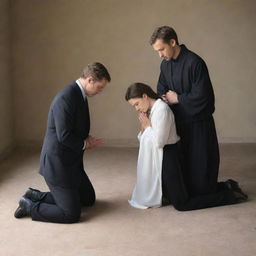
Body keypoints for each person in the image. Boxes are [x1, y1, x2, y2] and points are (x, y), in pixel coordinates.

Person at [149, 26, 248, 200]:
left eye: (162, 49)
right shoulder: (165, 65)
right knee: (185, 179)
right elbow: (161, 88)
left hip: (198, 126)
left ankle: (230, 190)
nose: (160, 55)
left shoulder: (195, 62)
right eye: (157, 51)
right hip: (178, 124)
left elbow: (205, 98)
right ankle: (225, 186)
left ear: (173, 42)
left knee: (202, 182)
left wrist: (178, 99)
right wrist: (164, 97)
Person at [126, 83, 247, 211]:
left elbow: (159, 142)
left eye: (137, 104)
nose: (136, 108)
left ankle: (229, 196)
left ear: (145, 96)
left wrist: (148, 126)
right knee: (177, 193)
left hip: (168, 157)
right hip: (161, 156)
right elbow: (144, 138)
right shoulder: (151, 111)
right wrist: (144, 127)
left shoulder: (162, 110)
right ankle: (227, 185)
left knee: (181, 203)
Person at [14, 62, 111, 223]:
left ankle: (34, 194)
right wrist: (85, 144)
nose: (100, 91)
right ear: (90, 80)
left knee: (88, 199)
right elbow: (64, 136)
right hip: (57, 164)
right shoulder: (66, 97)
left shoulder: (79, 94)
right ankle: (29, 206)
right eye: (100, 87)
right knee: (71, 214)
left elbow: (75, 128)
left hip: (72, 162)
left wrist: (86, 139)